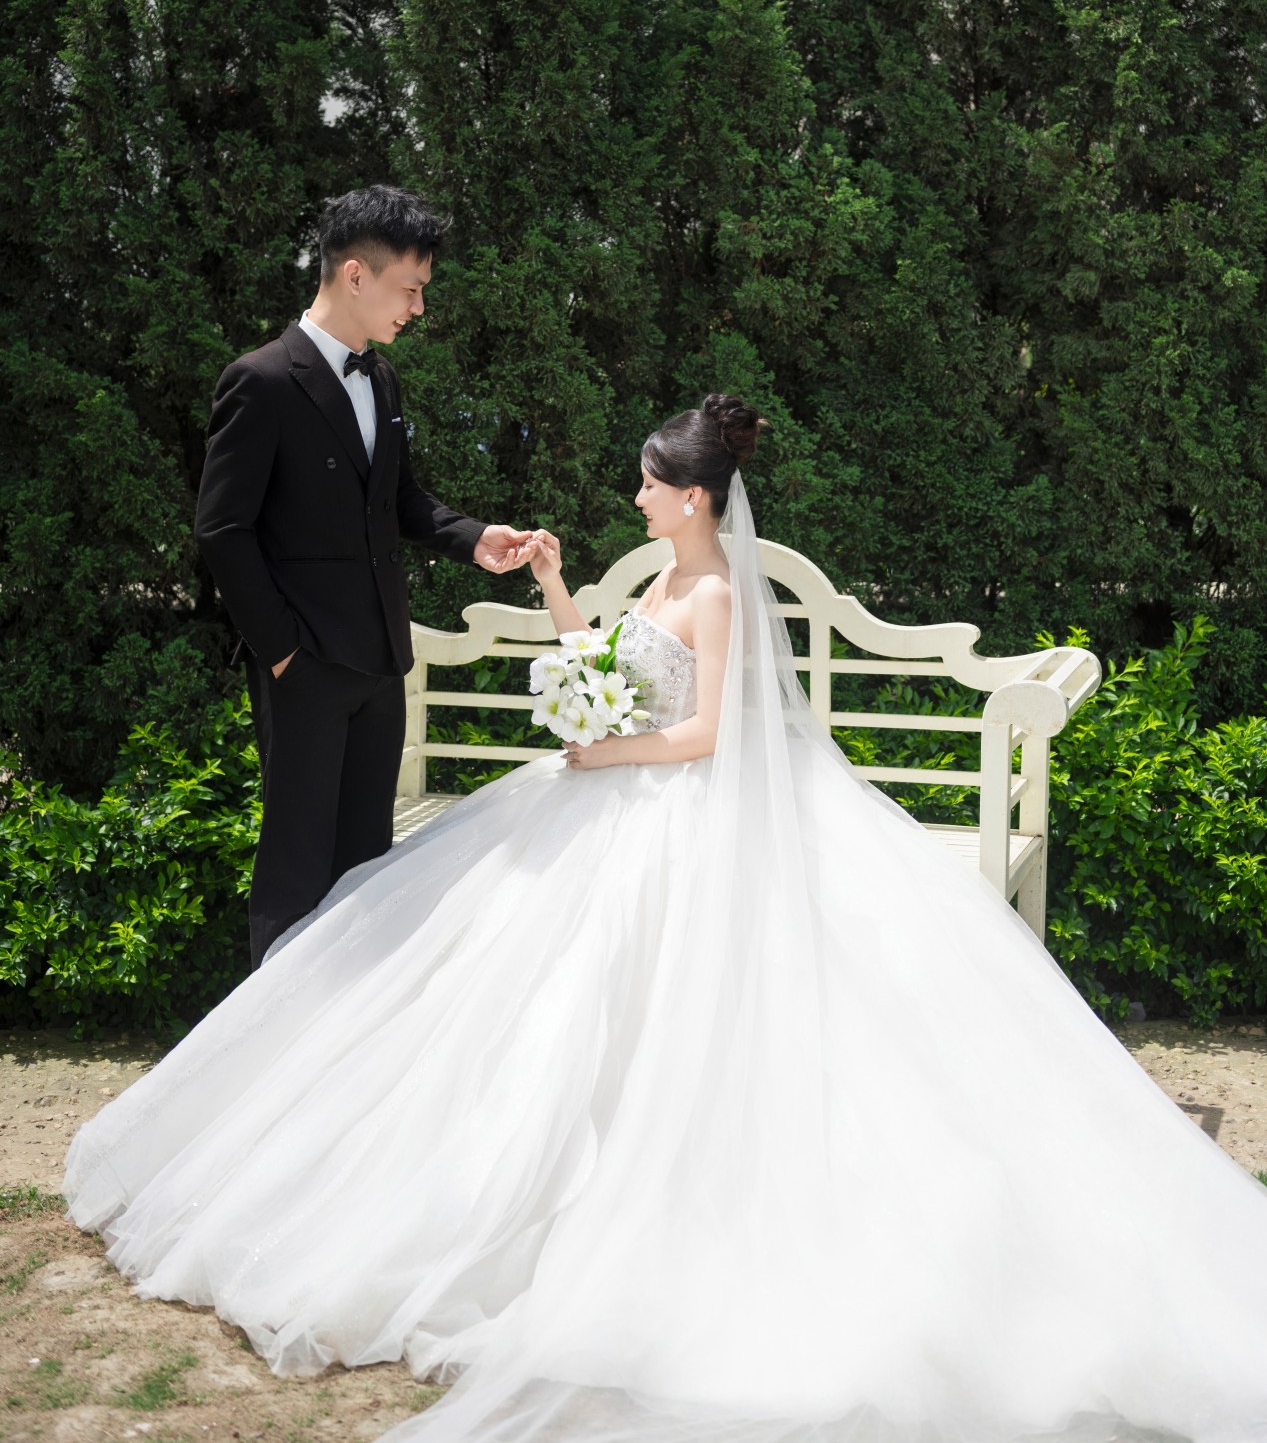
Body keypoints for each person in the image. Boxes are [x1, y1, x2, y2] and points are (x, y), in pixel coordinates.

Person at [69, 396, 1267, 1443]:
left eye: (648, 482)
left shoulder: (721, 592)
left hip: (667, 803)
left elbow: (702, 734)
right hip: (608, 789)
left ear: (691, 498)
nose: (635, 495)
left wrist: (605, 755)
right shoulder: (658, 577)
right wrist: (553, 592)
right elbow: (607, 664)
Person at [193, 184, 538, 967]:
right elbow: (221, 529)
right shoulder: (260, 380)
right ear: (355, 274)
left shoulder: (379, 378)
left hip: (381, 662)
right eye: (410, 288)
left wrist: (474, 538)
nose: (418, 307)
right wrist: (283, 653)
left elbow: (399, 499)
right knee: (295, 869)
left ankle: (350, 1031)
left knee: (366, 870)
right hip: (305, 668)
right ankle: (277, 1034)